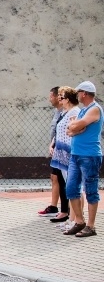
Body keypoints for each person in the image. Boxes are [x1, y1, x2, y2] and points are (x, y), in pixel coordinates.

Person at [63, 81, 102, 237]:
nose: (77, 95)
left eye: (79, 92)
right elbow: (71, 129)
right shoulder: (83, 111)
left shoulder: (95, 109)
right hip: (76, 154)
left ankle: (91, 227)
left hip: (90, 156)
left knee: (90, 190)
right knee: (71, 189)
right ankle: (80, 221)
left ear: (84, 93)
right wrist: (75, 127)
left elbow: (77, 126)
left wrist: (75, 126)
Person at [49, 86, 80, 226]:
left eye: (61, 97)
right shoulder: (65, 112)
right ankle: (72, 219)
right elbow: (59, 132)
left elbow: (73, 131)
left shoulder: (74, 112)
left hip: (69, 154)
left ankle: (76, 219)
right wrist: (53, 144)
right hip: (61, 154)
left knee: (74, 187)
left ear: (68, 99)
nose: (59, 100)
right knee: (68, 185)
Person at [40, 86, 64, 217]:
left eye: (51, 96)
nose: (49, 99)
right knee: (54, 177)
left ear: (57, 97)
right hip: (55, 149)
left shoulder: (65, 112)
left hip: (62, 151)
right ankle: (54, 206)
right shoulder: (57, 111)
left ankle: (66, 210)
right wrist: (52, 144)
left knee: (61, 179)